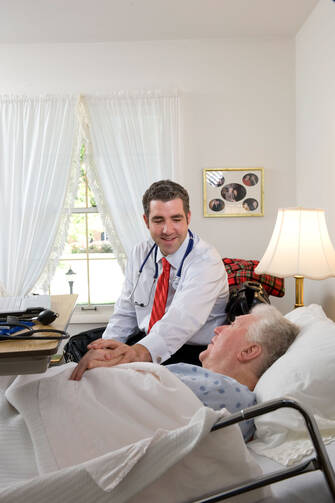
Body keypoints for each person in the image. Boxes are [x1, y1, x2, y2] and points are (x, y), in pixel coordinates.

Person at [70, 304, 299, 442]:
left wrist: (107, 372)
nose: (218, 328)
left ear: (249, 351)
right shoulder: (202, 379)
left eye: (233, 325)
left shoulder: (233, 398)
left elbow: (134, 414)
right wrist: (112, 362)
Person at [71, 180, 229, 375]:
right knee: (80, 348)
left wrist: (136, 354)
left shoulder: (206, 261)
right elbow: (126, 312)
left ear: (188, 218)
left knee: (114, 375)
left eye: (176, 219)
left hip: (191, 350)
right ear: (146, 221)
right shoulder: (141, 253)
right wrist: (105, 348)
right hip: (146, 337)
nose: (167, 230)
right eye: (158, 220)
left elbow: (180, 322)